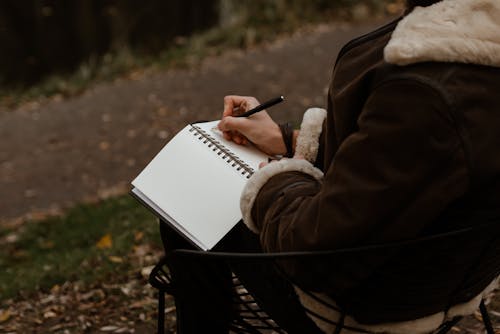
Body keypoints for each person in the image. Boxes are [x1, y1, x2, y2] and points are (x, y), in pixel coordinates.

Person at [161, 0, 500, 332]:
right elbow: (408, 161)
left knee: (184, 203)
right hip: (444, 276)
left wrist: (276, 180)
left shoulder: (427, 85)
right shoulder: (480, 46)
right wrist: (290, 141)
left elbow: (315, 254)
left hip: (362, 309)